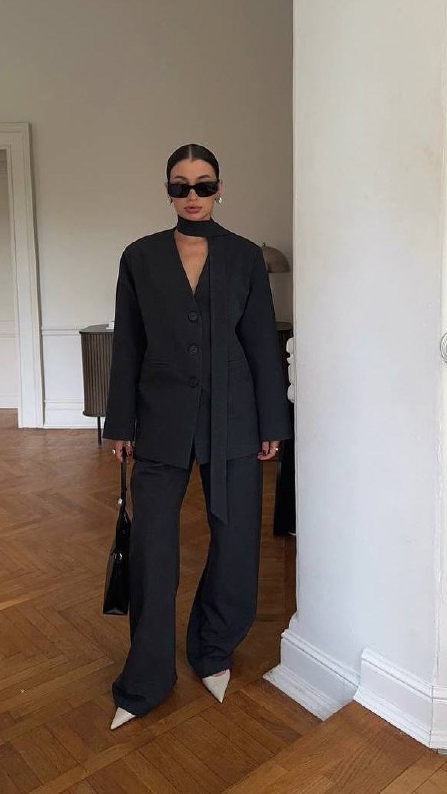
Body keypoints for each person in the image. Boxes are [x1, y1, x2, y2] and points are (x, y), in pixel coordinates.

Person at [102, 143, 292, 730]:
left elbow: (261, 342)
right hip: (158, 417)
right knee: (152, 548)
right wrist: (120, 422)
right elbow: (128, 343)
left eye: (203, 185)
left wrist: (272, 423)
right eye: (180, 186)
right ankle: (146, 677)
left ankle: (214, 648)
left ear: (219, 189)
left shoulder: (244, 256)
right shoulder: (139, 256)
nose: (192, 196)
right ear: (167, 191)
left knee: (235, 541)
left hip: (234, 415)